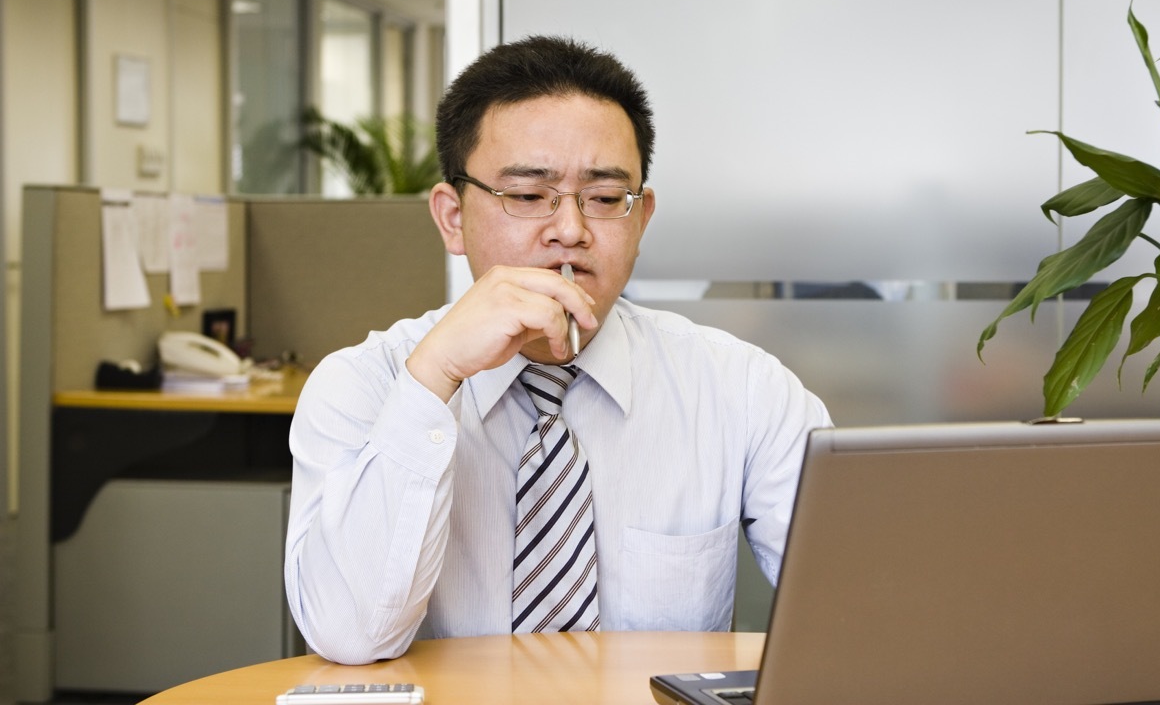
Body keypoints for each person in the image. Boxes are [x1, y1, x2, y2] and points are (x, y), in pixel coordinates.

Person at [284, 35, 832, 664]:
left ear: (642, 216)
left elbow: (867, 599)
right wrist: (434, 377)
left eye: (604, 199)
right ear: (452, 217)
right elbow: (349, 638)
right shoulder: (363, 383)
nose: (570, 230)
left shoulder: (739, 388)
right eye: (526, 196)